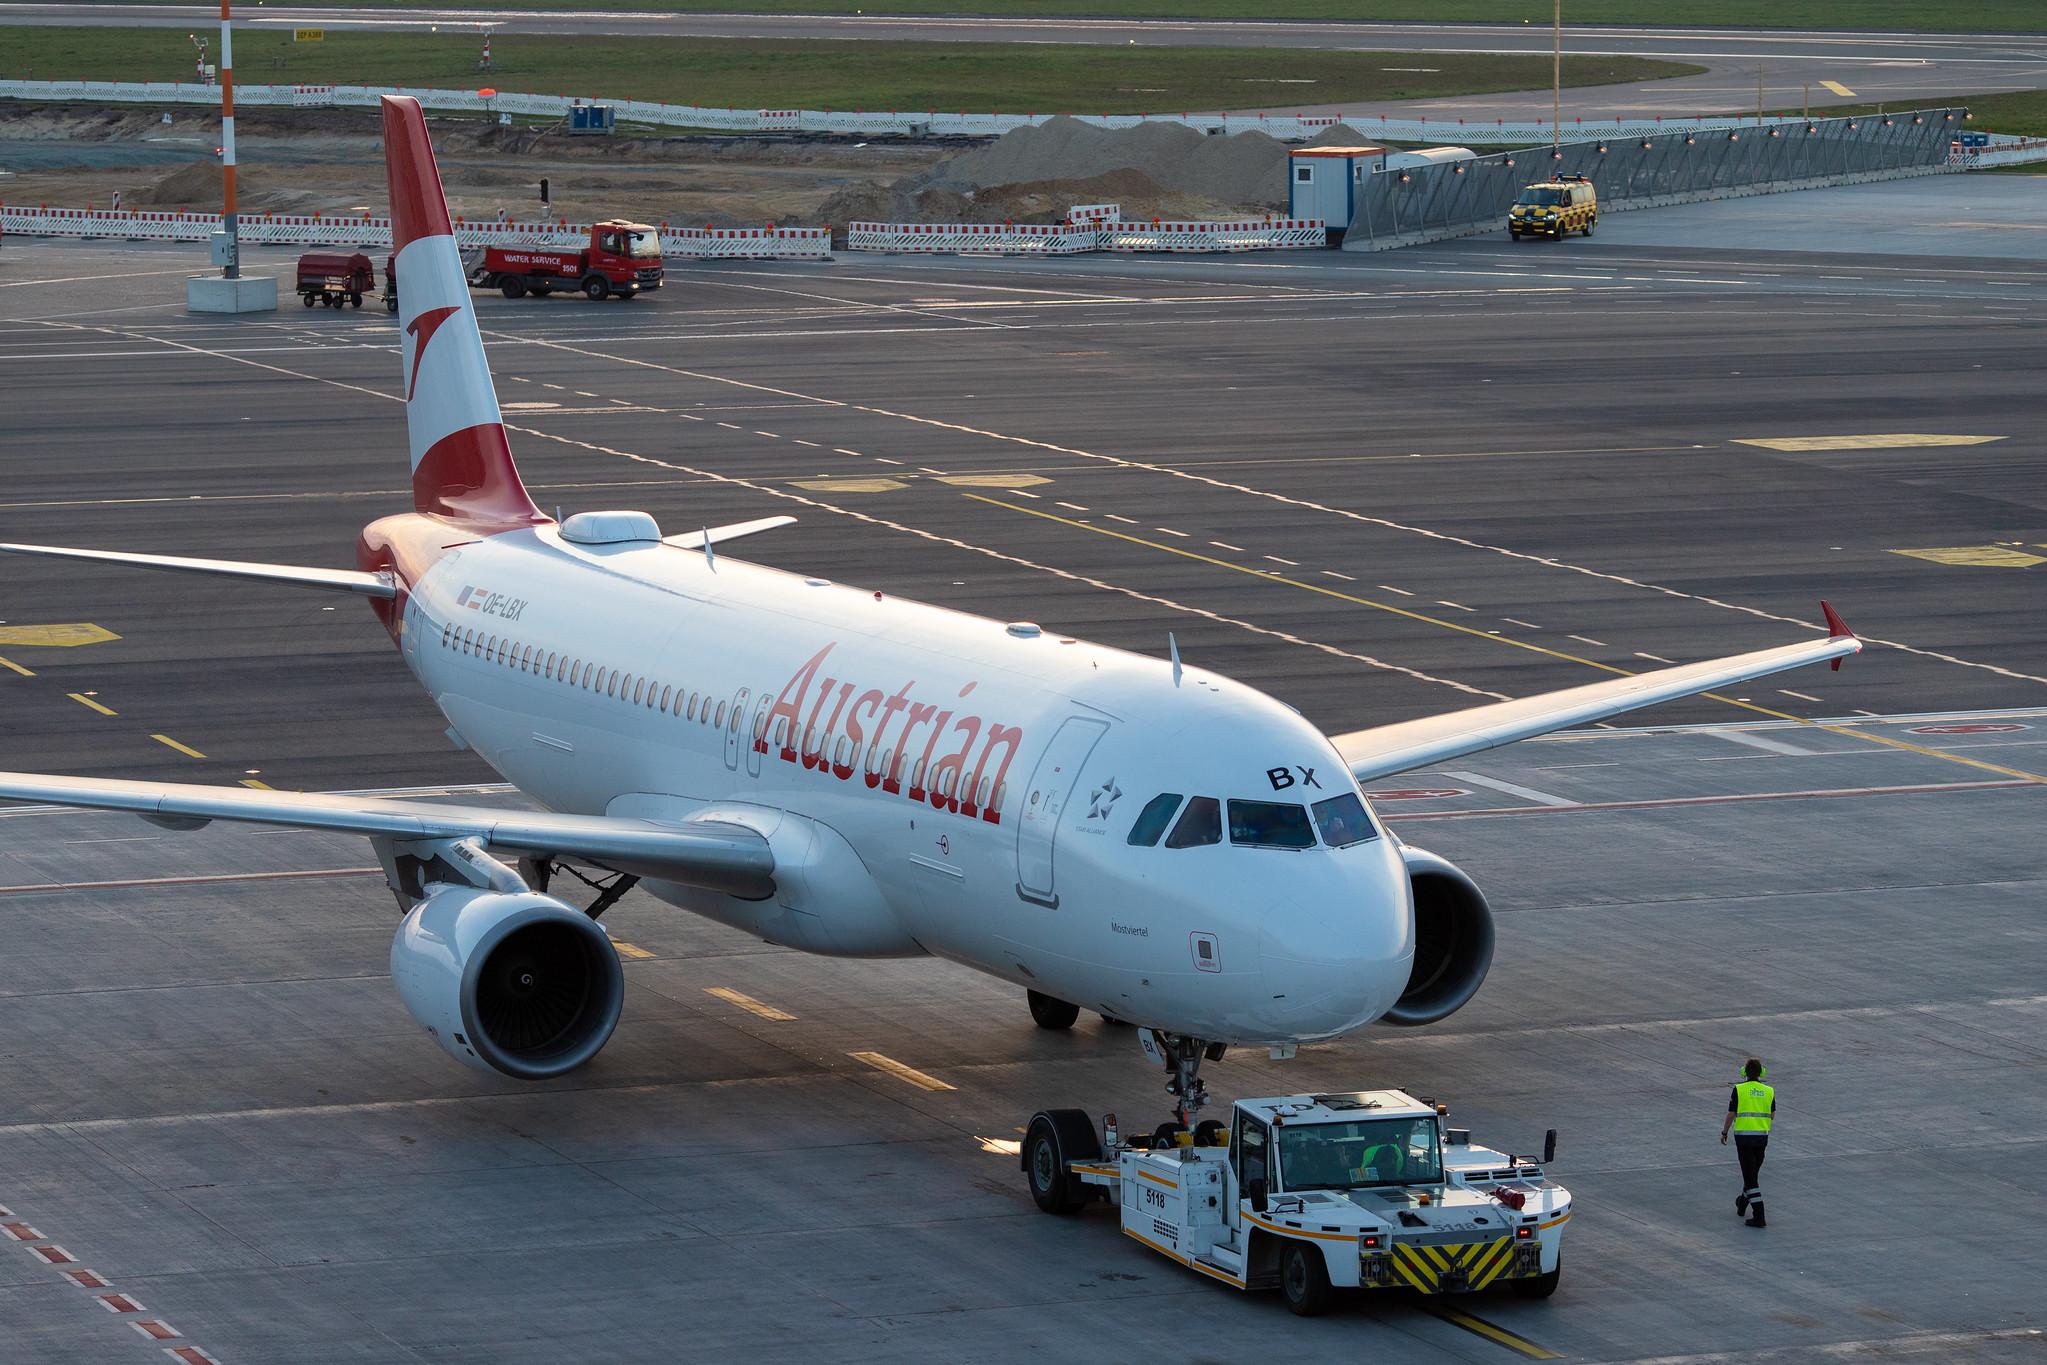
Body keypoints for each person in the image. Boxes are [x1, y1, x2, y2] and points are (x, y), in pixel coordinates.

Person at [1719, 1057, 1775, 1227]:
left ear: (1744, 1072)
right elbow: (1772, 1115)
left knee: (1750, 1178)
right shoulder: (1769, 1091)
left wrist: (1724, 1131)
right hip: (1761, 1138)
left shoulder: (1739, 1089)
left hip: (1744, 1139)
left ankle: (1759, 1215)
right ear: (1761, 1073)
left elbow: (1731, 1114)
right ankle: (1742, 1203)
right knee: (1752, 1174)